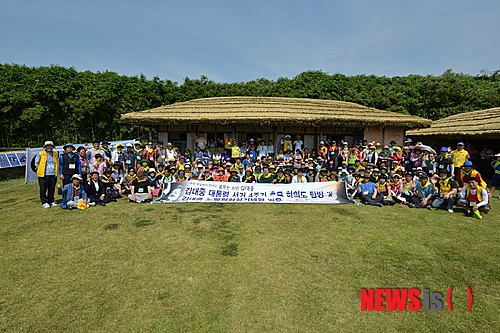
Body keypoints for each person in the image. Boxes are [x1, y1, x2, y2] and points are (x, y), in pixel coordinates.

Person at [35, 141, 60, 208]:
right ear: (45, 147)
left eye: (51, 146)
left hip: (53, 174)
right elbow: (36, 163)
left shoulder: (55, 154)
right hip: (43, 174)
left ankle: (51, 200)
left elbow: (57, 163)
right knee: (43, 188)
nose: (49, 147)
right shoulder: (40, 154)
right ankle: (44, 202)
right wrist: (38, 170)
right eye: (48, 146)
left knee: (51, 188)